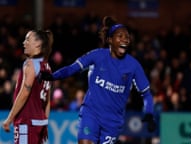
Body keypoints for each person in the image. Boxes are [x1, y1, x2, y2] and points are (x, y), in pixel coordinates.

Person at [40, 16, 156, 144]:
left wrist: (149, 113)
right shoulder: (97, 56)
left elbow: (146, 94)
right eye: (120, 36)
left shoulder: (133, 65)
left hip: (113, 122)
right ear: (110, 40)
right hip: (91, 113)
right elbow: (72, 68)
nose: (125, 39)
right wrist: (52, 76)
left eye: (127, 37)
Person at [2, 30, 53, 144]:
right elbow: (48, 100)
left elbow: (25, 92)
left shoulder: (30, 64)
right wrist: (45, 122)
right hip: (40, 122)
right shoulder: (47, 66)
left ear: (38, 44)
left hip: (26, 121)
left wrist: (9, 119)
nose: (24, 43)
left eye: (28, 39)